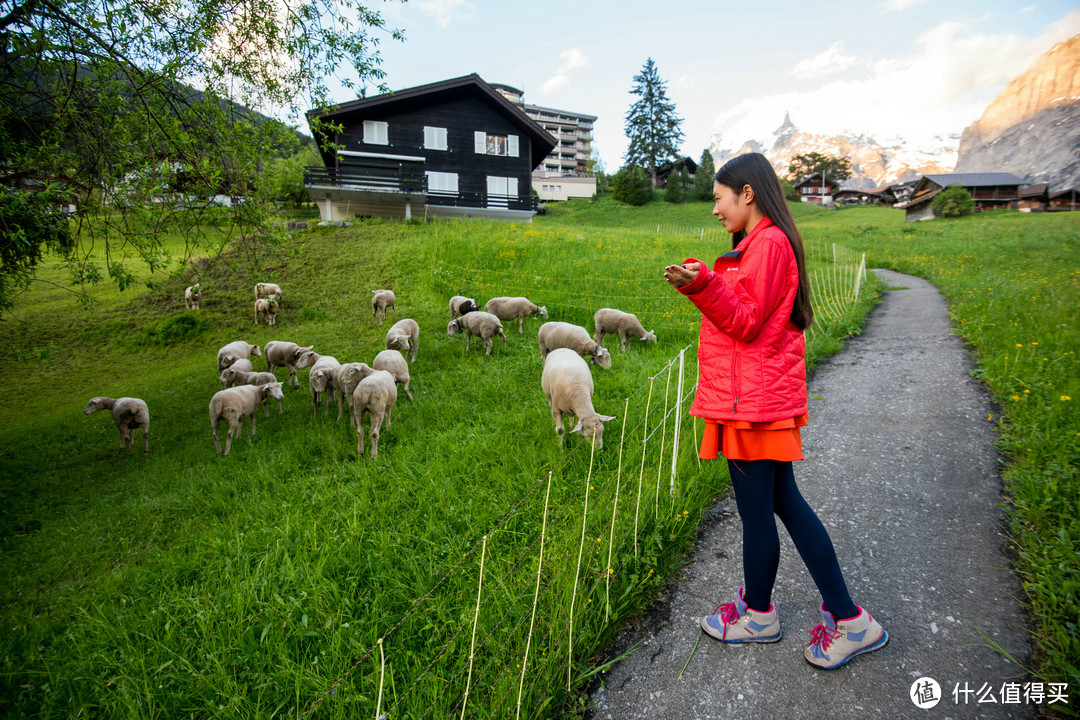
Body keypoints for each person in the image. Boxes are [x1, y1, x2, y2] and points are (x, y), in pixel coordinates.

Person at [663, 152, 888, 670]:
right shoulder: (762, 244)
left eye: (719, 199)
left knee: (758, 513)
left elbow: (743, 322)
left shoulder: (768, 244)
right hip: (755, 398)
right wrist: (707, 278)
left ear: (747, 193)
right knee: (782, 504)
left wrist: (700, 285)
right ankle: (834, 616)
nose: (715, 210)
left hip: (752, 404)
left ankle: (775, 616)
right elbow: (750, 310)